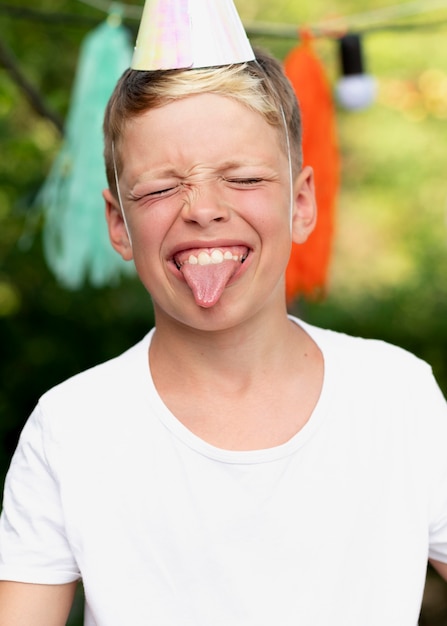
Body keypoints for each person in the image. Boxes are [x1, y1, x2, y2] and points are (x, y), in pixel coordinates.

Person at [1, 13, 447, 626]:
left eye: (242, 179)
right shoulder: (71, 428)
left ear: (300, 203)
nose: (203, 210)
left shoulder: (399, 398)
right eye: (160, 189)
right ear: (117, 224)